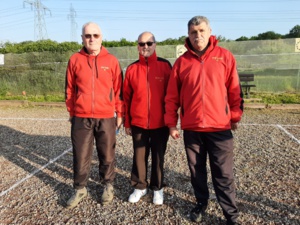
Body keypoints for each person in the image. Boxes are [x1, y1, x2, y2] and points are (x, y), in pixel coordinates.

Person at [164, 16, 243, 225]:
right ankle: (201, 202)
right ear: (187, 35)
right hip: (192, 128)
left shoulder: (225, 57)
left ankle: (231, 215)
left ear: (209, 32)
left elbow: (235, 90)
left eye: (201, 31)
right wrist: (172, 124)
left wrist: (235, 116)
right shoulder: (181, 63)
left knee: (223, 174)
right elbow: (172, 96)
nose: (197, 35)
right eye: (193, 32)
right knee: (196, 172)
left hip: (219, 128)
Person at [65, 22, 124, 208]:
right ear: (82, 38)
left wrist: (119, 113)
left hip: (106, 116)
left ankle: (107, 185)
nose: (91, 39)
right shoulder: (74, 59)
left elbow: (119, 91)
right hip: (81, 117)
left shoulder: (112, 61)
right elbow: (69, 90)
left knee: (106, 154)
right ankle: (80, 188)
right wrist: (72, 112)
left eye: (95, 35)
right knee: (81, 155)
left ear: (101, 37)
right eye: (87, 35)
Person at [123, 31, 172, 205]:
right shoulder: (131, 69)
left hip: (160, 124)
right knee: (139, 156)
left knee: (159, 156)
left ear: (155, 45)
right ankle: (139, 186)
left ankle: (157, 188)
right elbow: (126, 98)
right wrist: (127, 122)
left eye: (149, 43)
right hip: (138, 123)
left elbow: (172, 96)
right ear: (137, 46)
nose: (145, 47)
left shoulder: (165, 66)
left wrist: (171, 122)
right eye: (142, 44)